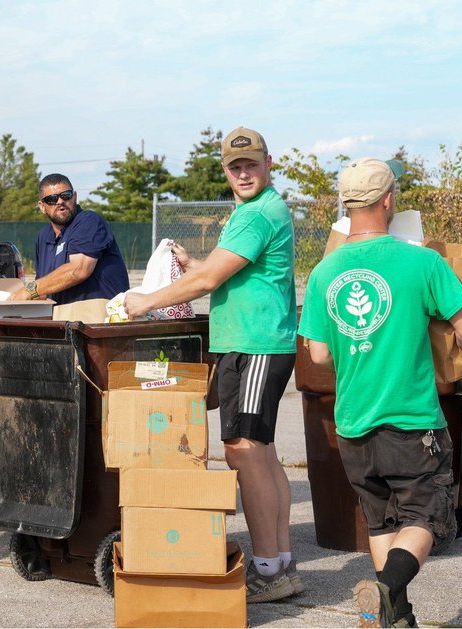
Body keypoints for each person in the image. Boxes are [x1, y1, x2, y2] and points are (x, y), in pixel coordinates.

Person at [298, 157, 462, 627]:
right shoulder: (422, 261)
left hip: (354, 422)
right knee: (426, 519)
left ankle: (397, 619)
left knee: (381, 522)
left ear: (347, 204)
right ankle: (386, 590)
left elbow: (318, 355)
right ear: (387, 200)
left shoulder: (324, 272)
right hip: (411, 419)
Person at [123, 127, 300, 603]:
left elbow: (206, 282)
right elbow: (225, 271)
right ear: (226, 170)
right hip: (253, 343)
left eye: (251, 164)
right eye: (235, 166)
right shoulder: (253, 212)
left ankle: (269, 568)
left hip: (256, 345)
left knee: (243, 451)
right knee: (260, 451)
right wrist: (195, 260)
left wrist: (146, 301)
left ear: (268, 163)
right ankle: (279, 562)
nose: (244, 172)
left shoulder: (258, 213)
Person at [9, 173, 129, 304]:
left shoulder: (89, 221)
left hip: (99, 318)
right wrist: (9, 299)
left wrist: (29, 290)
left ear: (75, 197)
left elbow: (78, 270)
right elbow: (44, 289)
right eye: (51, 199)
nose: (60, 201)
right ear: (42, 206)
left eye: (66, 195)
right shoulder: (43, 236)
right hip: (63, 320)